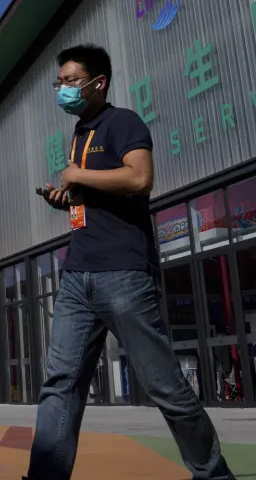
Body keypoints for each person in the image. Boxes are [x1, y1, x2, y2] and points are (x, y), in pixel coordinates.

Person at [25, 45, 234, 480]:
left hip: (123, 273)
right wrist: (67, 198)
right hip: (78, 274)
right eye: (58, 82)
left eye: (69, 81)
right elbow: (99, 198)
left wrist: (78, 176)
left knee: (163, 385)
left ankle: (213, 475)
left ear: (98, 83)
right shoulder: (81, 133)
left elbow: (140, 178)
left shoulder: (122, 122)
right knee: (60, 384)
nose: (61, 89)